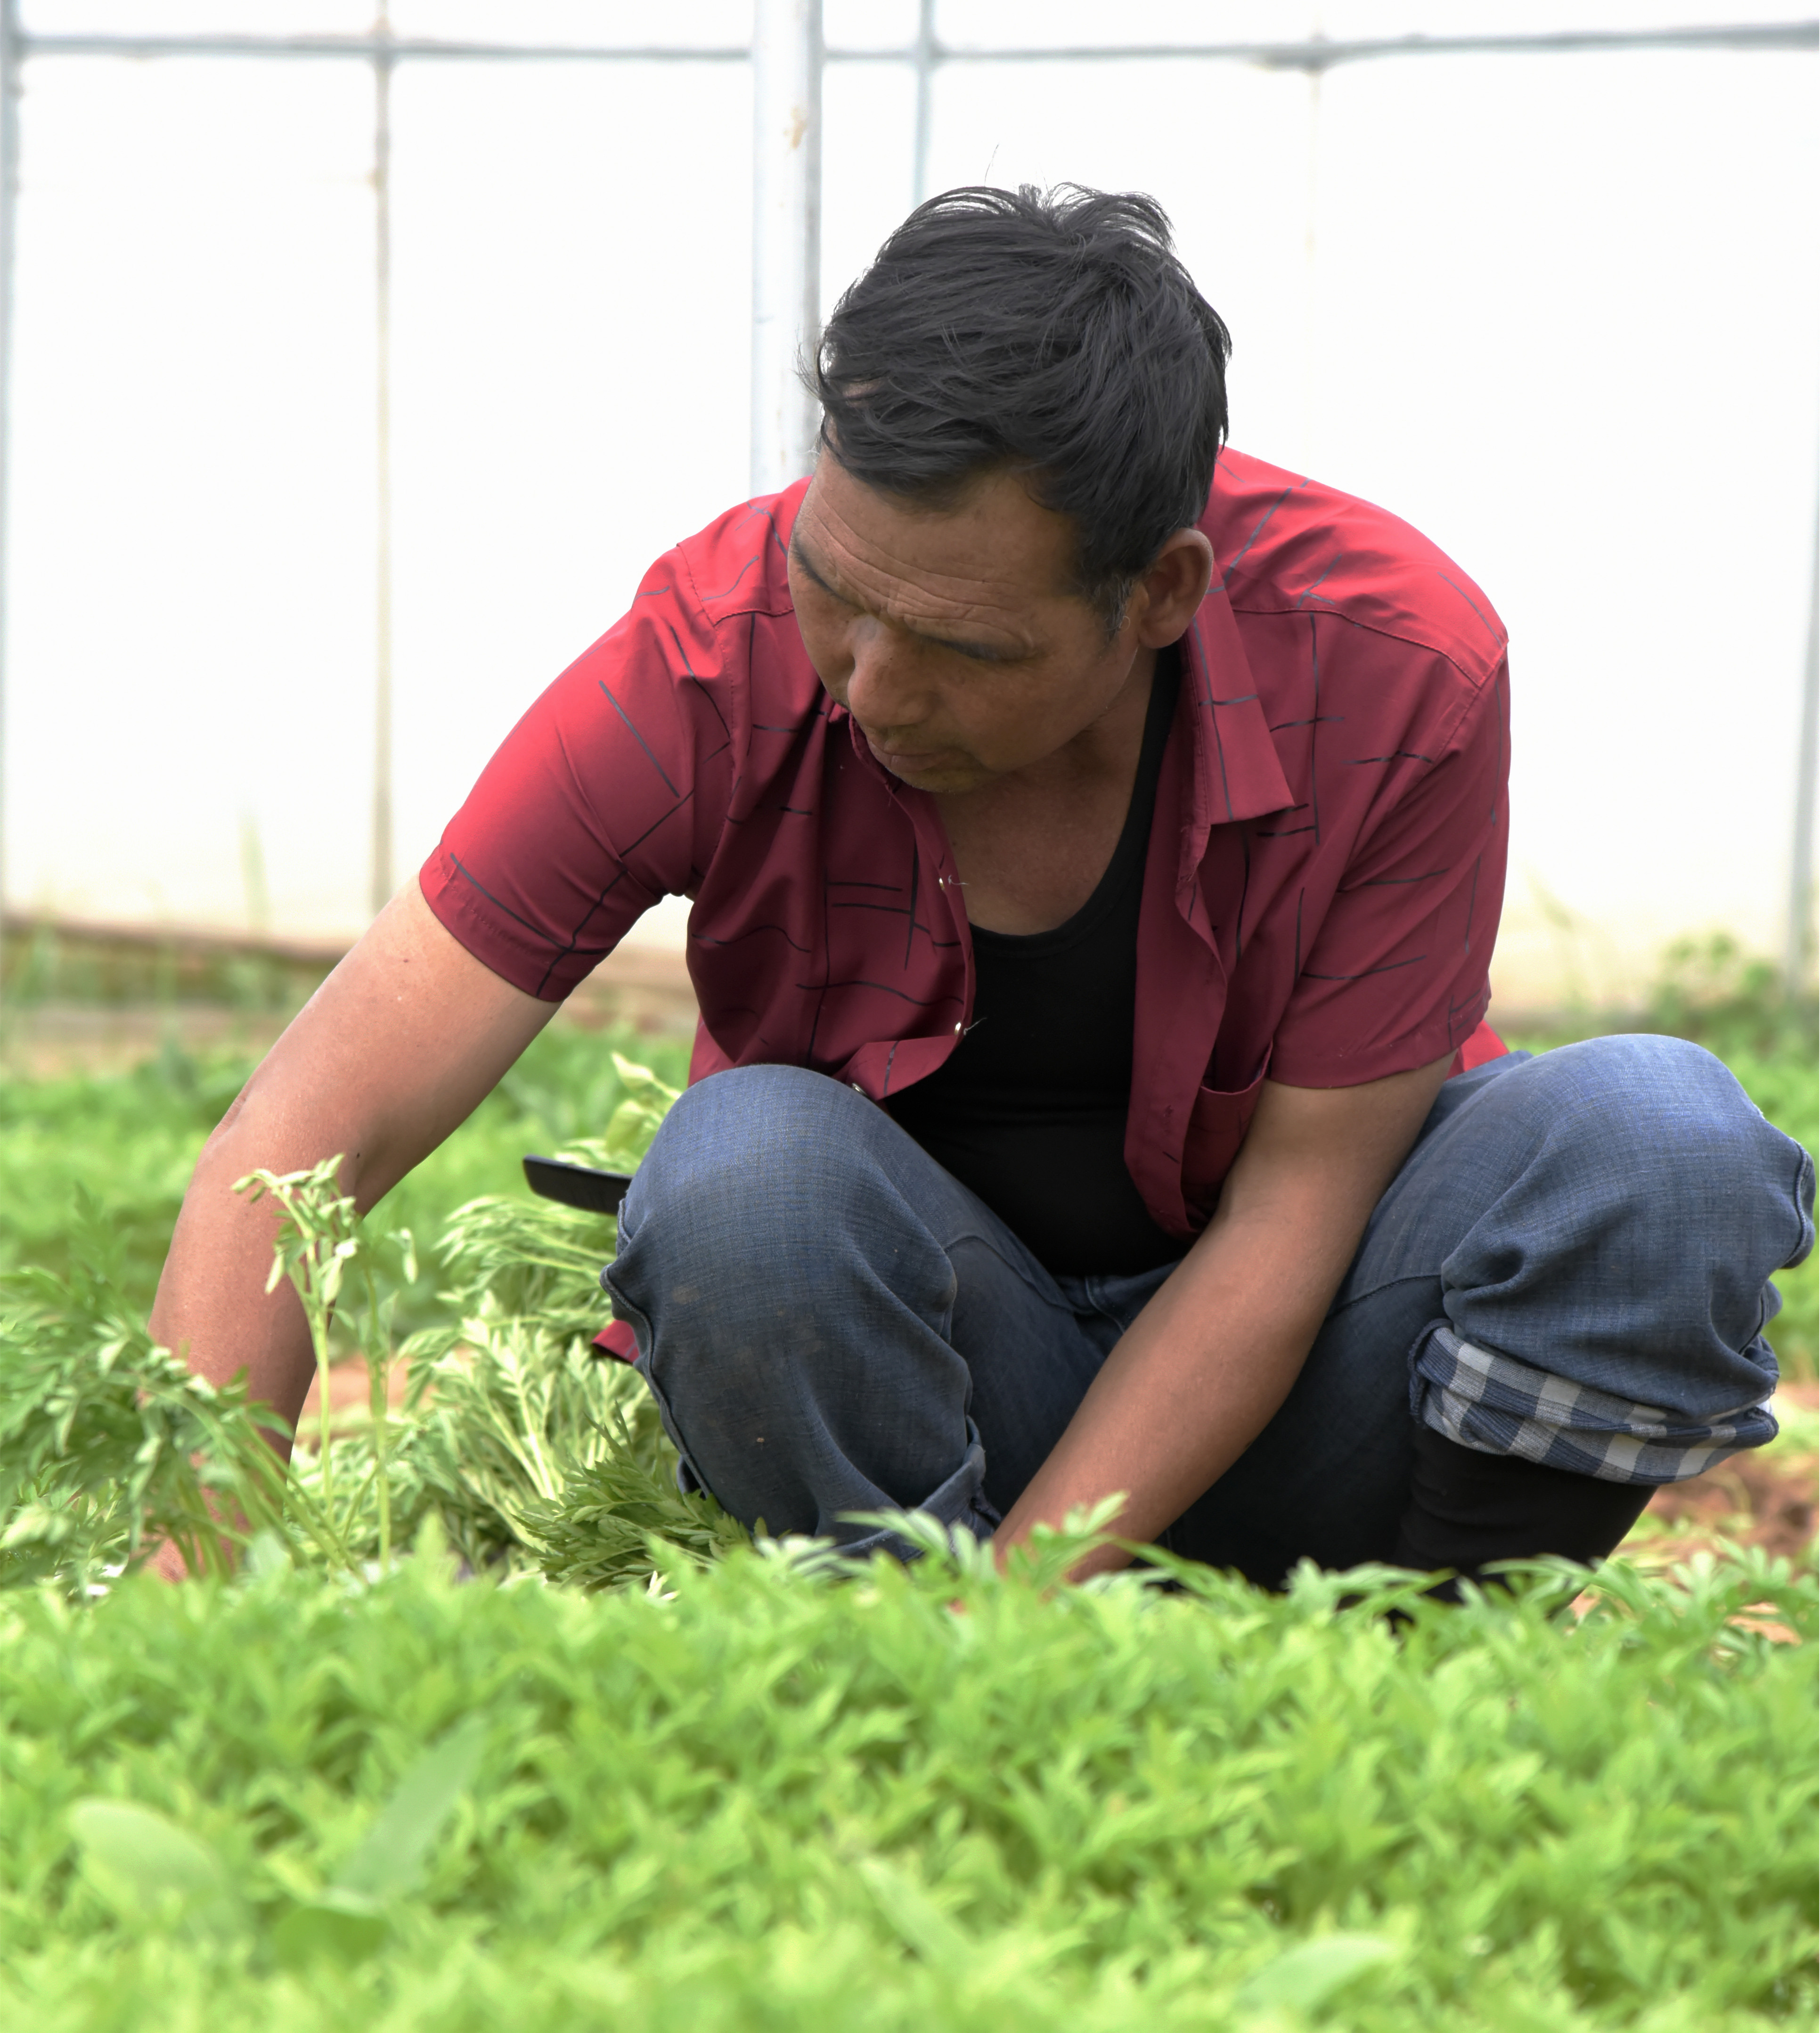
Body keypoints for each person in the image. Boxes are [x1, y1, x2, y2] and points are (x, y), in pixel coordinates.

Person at [151, 185, 1813, 1589]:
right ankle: (888, 1661)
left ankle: (1430, 1663)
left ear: (1162, 593)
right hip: (914, 1402)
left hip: (1313, 1397)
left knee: (1662, 1148)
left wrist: (1020, 1606)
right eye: (834, 591)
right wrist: (195, 1595)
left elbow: (1293, 1223)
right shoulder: (711, 652)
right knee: (743, 1175)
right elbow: (300, 1143)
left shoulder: (1392, 663)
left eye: (962, 645)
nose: (869, 685)